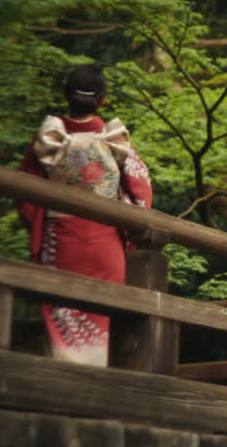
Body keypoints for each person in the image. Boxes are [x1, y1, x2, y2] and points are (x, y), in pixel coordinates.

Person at [18, 65, 153, 365]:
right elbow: (141, 193)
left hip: (60, 241)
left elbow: (25, 192)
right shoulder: (115, 139)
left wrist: (38, 221)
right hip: (105, 245)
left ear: (66, 96)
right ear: (102, 100)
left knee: (63, 321)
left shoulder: (48, 139)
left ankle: (62, 391)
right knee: (102, 320)